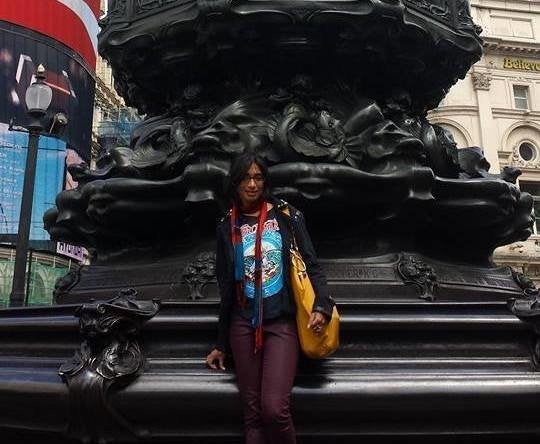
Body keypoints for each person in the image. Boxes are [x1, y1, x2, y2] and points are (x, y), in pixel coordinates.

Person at [206, 150, 335, 444]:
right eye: (246, 178)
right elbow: (226, 287)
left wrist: (322, 305)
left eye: (258, 177)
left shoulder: (287, 216)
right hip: (242, 324)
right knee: (251, 416)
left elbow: (312, 264)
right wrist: (220, 342)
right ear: (235, 182)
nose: (252, 184)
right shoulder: (227, 225)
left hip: (281, 323)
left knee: (274, 410)